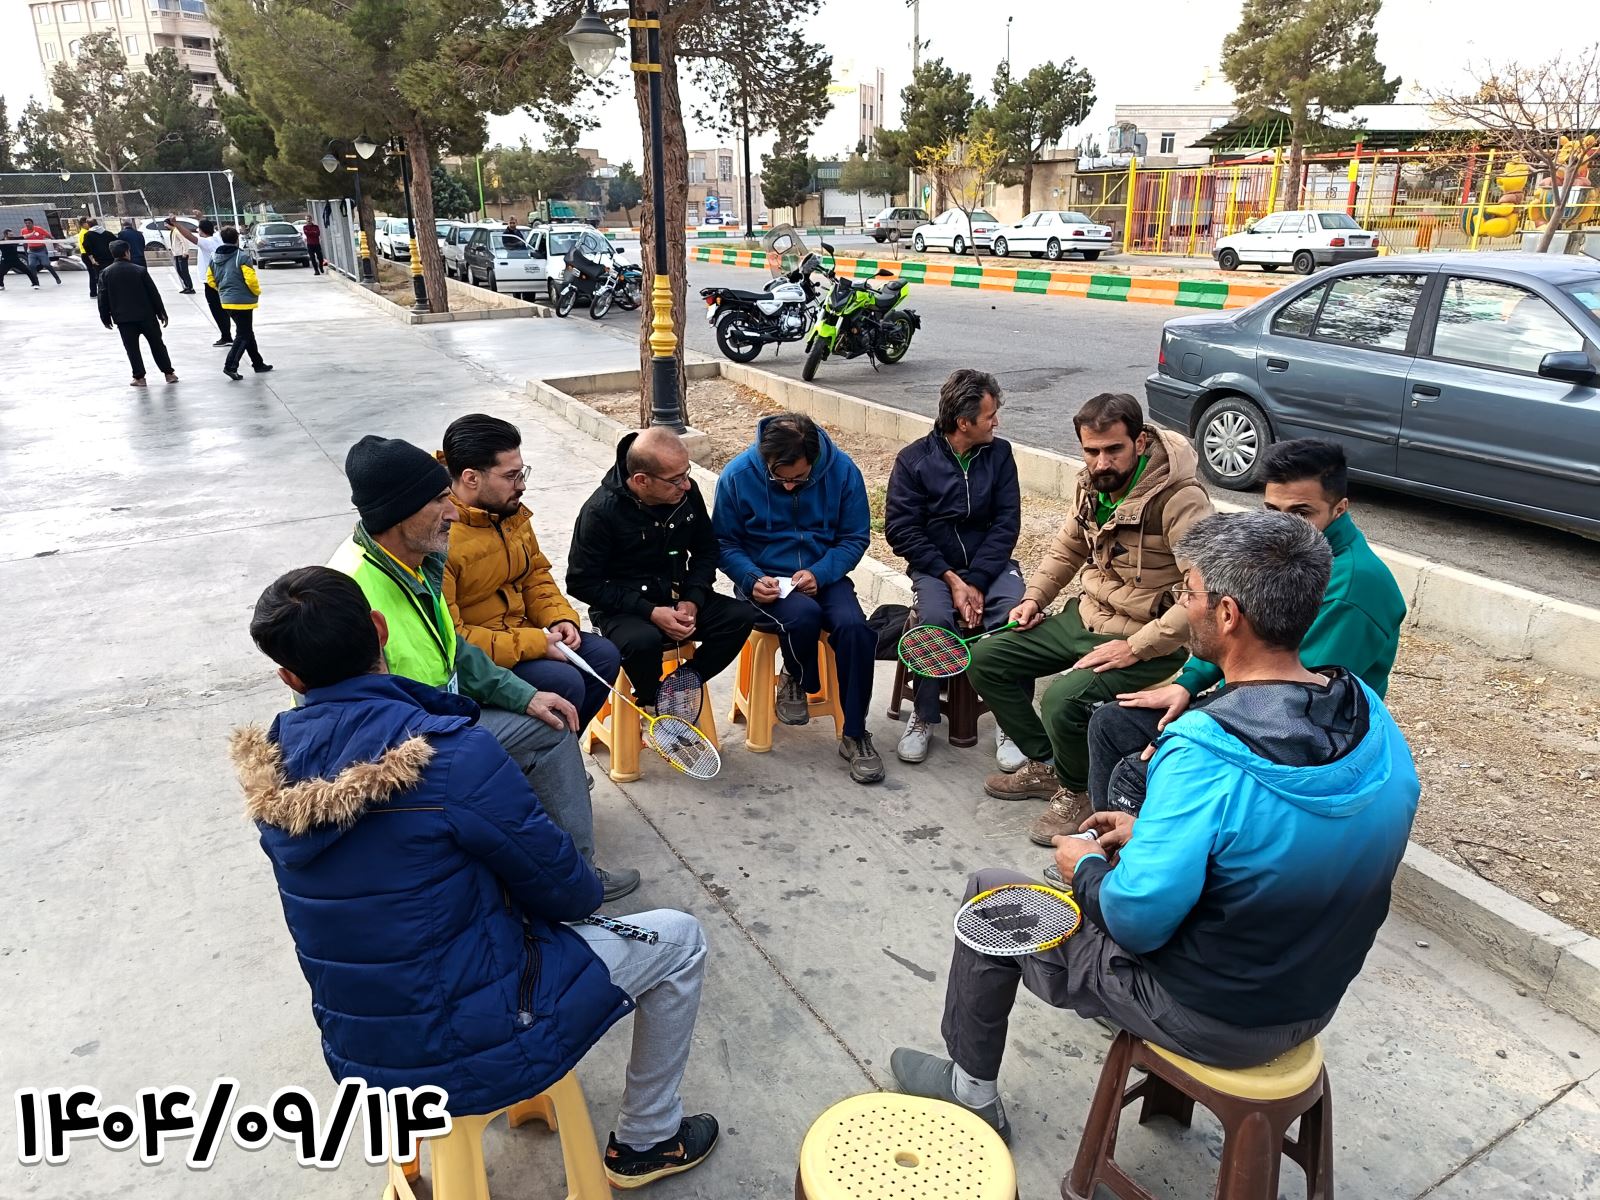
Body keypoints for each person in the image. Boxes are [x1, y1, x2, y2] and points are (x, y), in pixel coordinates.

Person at [890, 510, 1420, 1140]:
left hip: (1210, 1014)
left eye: (1189, 593)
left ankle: (970, 1090)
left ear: (1228, 614)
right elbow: (1282, 840)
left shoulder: (1205, 749)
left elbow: (1137, 918)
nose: (1183, 606)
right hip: (1312, 998)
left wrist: (1086, 867)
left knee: (992, 895)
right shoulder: (1367, 712)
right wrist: (1149, 837)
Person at [231, 566, 719, 1188]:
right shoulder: (454, 754)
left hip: (360, 1054)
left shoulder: (272, 773)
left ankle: (413, 1161)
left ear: (289, 678)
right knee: (680, 938)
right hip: (477, 1045)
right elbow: (569, 893)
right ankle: (649, 1139)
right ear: (380, 630)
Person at [328, 434, 639, 901]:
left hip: (439, 714)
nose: (451, 512)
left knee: (552, 707)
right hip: (404, 746)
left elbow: (454, 648)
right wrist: (464, 732)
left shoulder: (413, 560)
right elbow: (356, 718)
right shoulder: (352, 592)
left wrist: (524, 695)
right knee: (552, 731)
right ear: (399, 512)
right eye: (439, 500)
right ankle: (574, 882)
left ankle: (549, 843)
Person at [1085, 437, 1408, 820]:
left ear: (1339, 509)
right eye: (1272, 510)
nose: (1282, 525)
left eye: (1301, 512)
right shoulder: (1277, 552)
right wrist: (1186, 685)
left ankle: (1137, 847)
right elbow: (1229, 629)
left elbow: (1291, 696)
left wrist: (1194, 732)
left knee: (1142, 771)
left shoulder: (1353, 587)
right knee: (1111, 722)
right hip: (1253, 702)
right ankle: (1108, 834)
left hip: (1307, 735)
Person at [968, 392, 1214, 847]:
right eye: (1091, 451)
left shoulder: (1180, 499)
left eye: (1113, 449)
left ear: (1140, 442)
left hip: (1150, 638)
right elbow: (1067, 549)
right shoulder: (1091, 485)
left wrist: (1136, 647)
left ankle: (1078, 791)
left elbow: (1203, 592)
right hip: (1087, 616)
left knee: (1063, 699)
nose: (1102, 462)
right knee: (986, 658)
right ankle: (1050, 766)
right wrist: (1034, 598)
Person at [713, 413, 884, 784]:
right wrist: (750, 577)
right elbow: (724, 542)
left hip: (825, 575)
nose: (789, 486)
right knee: (803, 615)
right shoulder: (738, 475)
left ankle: (855, 733)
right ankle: (796, 675)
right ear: (766, 460)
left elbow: (854, 538)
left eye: (799, 478)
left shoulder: (843, 472)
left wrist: (821, 573)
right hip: (764, 580)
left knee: (856, 629)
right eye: (780, 478)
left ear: (815, 459)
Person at [439, 414, 623, 732]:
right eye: (511, 476)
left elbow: (535, 574)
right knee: (566, 682)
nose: (522, 485)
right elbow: (453, 639)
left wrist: (559, 618)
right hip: (479, 660)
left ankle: (555, 750)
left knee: (604, 655)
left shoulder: (508, 513)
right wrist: (536, 642)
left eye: (522, 472)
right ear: (471, 478)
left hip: (522, 634)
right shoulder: (441, 536)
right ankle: (542, 754)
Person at [884, 369, 1024, 764]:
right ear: (964, 422)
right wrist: (951, 579)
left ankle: (1012, 720)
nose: (996, 422)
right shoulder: (913, 461)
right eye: (989, 416)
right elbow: (901, 530)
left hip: (991, 567)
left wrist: (975, 580)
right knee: (933, 619)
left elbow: (1007, 523)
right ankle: (924, 716)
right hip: (935, 568)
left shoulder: (1000, 455)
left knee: (1016, 617)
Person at [568, 427, 757, 716]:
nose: (686, 485)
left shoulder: (686, 494)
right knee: (643, 642)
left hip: (676, 594)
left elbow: (707, 550)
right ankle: (650, 700)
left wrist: (693, 598)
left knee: (740, 616)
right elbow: (581, 582)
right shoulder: (600, 512)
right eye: (675, 480)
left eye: (686, 473)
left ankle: (679, 686)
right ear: (641, 480)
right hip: (624, 609)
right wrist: (649, 611)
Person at [97, 239, 178, 387]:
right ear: (127, 252)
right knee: (157, 345)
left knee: (132, 349)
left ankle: (139, 377)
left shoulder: (105, 273)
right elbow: (153, 293)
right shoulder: (140, 270)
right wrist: (161, 312)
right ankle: (169, 373)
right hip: (146, 316)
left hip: (123, 319)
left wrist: (105, 317)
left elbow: (102, 297)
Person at [208, 226, 273, 380]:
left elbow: (210, 279)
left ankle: (258, 363)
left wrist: (222, 290)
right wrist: (256, 292)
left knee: (247, 332)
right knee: (243, 334)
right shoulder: (241, 256)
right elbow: (250, 279)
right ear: (237, 239)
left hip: (226, 301)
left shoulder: (214, 257)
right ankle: (230, 366)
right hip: (242, 301)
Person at [196, 218, 232, 345]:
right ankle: (227, 335)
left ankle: (226, 337)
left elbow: (190, 237)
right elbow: (208, 228)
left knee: (217, 310)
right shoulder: (217, 238)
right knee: (223, 309)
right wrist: (200, 217)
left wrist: (176, 224)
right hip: (220, 279)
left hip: (211, 282)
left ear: (202, 231)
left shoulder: (206, 242)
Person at [19, 219, 60, 285]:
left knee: (46, 264)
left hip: (41, 250)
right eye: (26, 223)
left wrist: (56, 244)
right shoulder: (23, 231)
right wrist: (26, 251)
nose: (27, 224)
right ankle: (36, 282)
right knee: (31, 265)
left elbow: (49, 236)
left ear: (32, 224)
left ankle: (56, 278)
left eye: (29, 223)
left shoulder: (38, 229)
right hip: (32, 251)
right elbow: (24, 242)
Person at [83, 218, 116, 296]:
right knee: (112, 277)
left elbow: (87, 248)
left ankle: (104, 295)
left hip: (98, 261)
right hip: (111, 259)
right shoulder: (108, 233)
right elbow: (115, 243)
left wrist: (92, 260)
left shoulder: (88, 235)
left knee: (101, 279)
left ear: (88, 225)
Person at [163, 216, 197, 293]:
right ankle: (186, 286)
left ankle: (190, 287)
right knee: (180, 271)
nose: (165, 226)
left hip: (181, 254)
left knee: (184, 271)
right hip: (176, 254)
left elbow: (184, 241)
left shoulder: (177, 231)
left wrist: (185, 252)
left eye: (166, 224)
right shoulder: (173, 231)